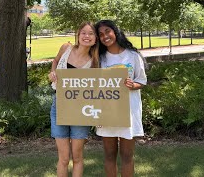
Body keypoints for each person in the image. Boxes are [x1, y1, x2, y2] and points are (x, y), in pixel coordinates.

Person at [94, 20, 147, 177]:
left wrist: (132, 85)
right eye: (101, 34)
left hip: (129, 111)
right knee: (109, 155)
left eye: (107, 31)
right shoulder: (99, 59)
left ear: (115, 31)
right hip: (106, 112)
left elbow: (142, 81)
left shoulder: (133, 56)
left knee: (127, 156)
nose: (105, 36)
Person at [48, 21, 99, 177]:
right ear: (78, 34)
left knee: (77, 157)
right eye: (84, 32)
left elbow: (99, 89)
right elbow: (55, 61)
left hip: (81, 111)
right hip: (60, 107)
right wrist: (53, 72)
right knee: (63, 158)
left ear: (96, 39)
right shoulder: (66, 48)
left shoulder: (95, 62)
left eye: (91, 34)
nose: (87, 36)